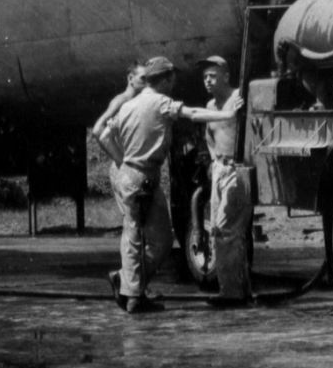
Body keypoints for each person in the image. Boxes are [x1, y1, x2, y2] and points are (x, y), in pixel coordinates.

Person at [91, 56, 241, 314]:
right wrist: (227, 113)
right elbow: (192, 113)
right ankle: (132, 292)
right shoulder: (160, 102)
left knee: (135, 235)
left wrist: (122, 160)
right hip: (145, 177)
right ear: (166, 79)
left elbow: (102, 133)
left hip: (128, 175)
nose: (174, 83)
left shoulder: (129, 105)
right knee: (157, 240)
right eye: (172, 78)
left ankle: (130, 288)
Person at [199, 55, 253, 308]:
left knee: (225, 230)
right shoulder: (210, 105)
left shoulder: (239, 98)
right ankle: (236, 289)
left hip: (236, 169)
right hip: (219, 169)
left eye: (212, 76)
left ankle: (232, 292)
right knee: (220, 232)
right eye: (205, 77)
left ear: (226, 76)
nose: (207, 81)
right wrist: (213, 161)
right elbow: (209, 136)